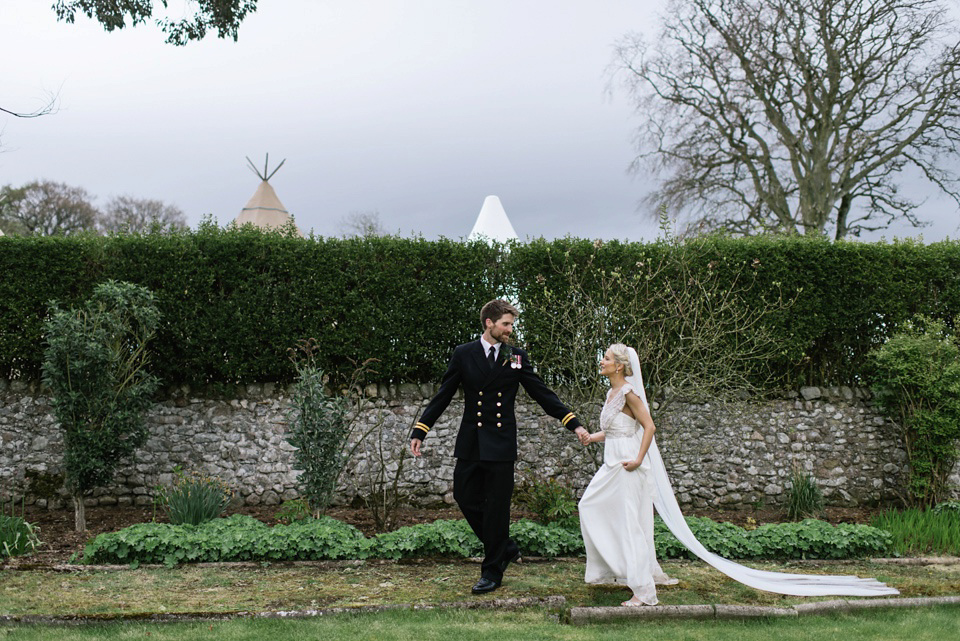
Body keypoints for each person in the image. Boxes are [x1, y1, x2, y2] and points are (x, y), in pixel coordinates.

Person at [578, 343, 899, 606]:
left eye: (606, 358)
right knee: (595, 508)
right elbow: (617, 429)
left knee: (628, 522)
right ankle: (615, 569)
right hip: (612, 461)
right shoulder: (611, 394)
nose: (601, 362)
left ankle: (643, 591)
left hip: (628, 464)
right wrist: (594, 437)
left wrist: (637, 458)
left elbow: (648, 427)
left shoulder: (630, 393)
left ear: (619, 365)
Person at [410, 299, 589, 595]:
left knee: (497, 508)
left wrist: (574, 423)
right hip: (471, 441)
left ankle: (492, 571)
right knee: (464, 496)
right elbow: (443, 394)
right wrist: (421, 428)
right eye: (506, 324)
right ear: (489, 323)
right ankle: (503, 547)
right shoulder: (463, 354)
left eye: (511, 325)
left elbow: (541, 392)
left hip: (501, 444)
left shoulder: (515, 356)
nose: (509, 330)